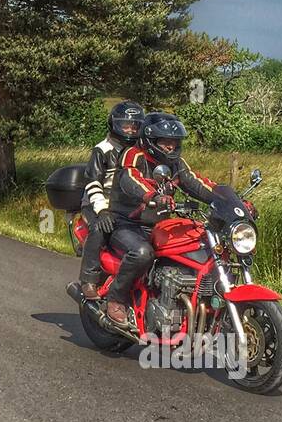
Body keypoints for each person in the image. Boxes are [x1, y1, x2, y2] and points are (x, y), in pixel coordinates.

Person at [92, 112, 217, 329]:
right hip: (126, 224)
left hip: (158, 226)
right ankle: (115, 299)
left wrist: (229, 199)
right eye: (165, 142)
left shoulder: (176, 163)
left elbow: (196, 183)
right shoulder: (133, 155)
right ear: (151, 141)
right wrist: (153, 196)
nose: (170, 147)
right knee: (142, 253)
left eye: (174, 142)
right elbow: (131, 179)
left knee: (200, 247)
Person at [77, 100, 145, 305]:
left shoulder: (138, 152)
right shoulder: (103, 149)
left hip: (124, 206)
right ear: (115, 124)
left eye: (135, 125)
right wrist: (102, 209)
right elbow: (93, 182)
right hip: (97, 202)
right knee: (100, 227)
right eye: (126, 124)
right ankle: (88, 278)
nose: (131, 129)